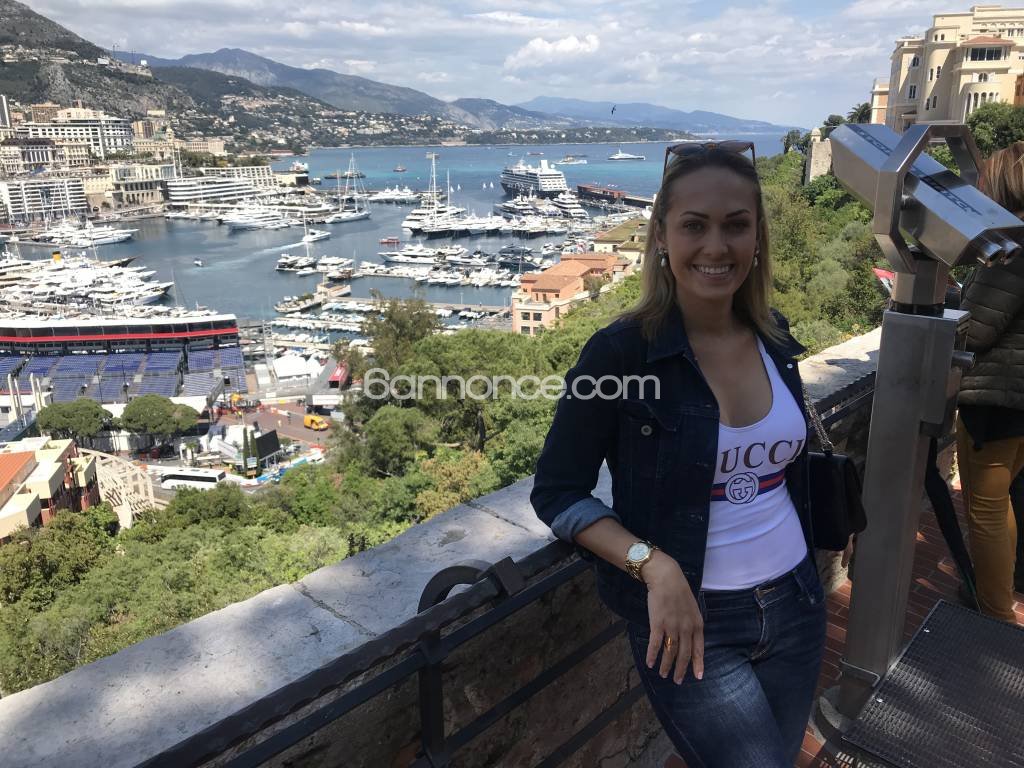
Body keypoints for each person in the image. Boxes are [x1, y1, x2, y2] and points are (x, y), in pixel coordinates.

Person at [531, 142, 826, 768]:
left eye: (735, 225)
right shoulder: (619, 355)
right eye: (695, 225)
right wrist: (653, 565)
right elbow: (557, 490)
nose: (716, 246)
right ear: (661, 237)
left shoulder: (774, 336)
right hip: (691, 619)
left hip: (797, 599)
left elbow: (781, 469)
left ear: (757, 238)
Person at [956, 140, 1024, 623]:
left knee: (986, 510)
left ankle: (994, 613)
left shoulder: (1012, 249)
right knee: (1002, 505)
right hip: (1017, 400)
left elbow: (977, 330)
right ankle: (994, 593)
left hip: (997, 401)